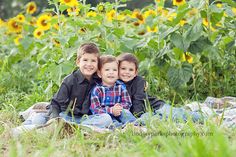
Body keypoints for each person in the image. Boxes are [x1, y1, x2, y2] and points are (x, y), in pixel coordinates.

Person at [117, 53, 204, 123]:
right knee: (167, 120)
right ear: (117, 69)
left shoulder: (139, 81)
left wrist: (136, 117)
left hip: (156, 107)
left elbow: (138, 100)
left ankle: (206, 117)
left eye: (131, 70)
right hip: (147, 114)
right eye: (123, 68)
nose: (126, 72)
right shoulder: (114, 84)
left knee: (177, 114)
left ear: (136, 72)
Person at [49, 43, 112, 128]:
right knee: (60, 117)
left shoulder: (99, 81)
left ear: (98, 64)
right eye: (85, 60)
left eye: (93, 61)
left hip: (87, 118)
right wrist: (55, 119)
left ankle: (76, 127)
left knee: (106, 118)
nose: (89, 64)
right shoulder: (69, 80)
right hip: (68, 116)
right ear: (78, 62)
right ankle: (72, 126)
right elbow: (55, 103)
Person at [90, 55, 136, 128]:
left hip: (119, 113)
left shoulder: (120, 88)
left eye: (114, 70)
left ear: (118, 74)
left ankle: (134, 125)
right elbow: (95, 109)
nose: (111, 72)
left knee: (126, 113)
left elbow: (127, 102)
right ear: (99, 73)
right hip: (105, 115)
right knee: (106, 119)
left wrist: (118, 108)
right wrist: (111, 110)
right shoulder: (97, 90)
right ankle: (118, 128)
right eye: (107, 70)